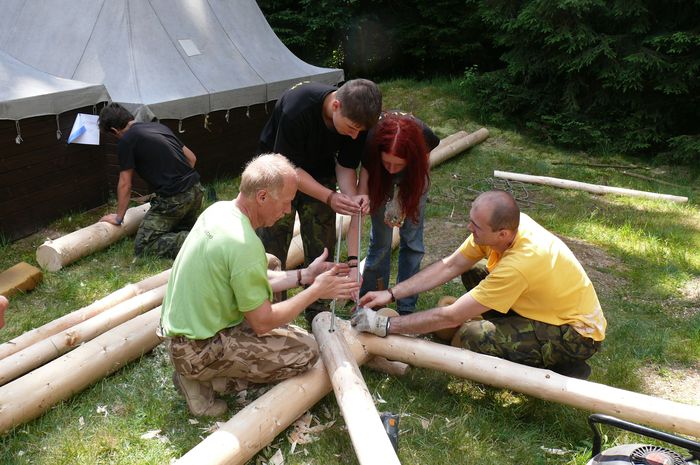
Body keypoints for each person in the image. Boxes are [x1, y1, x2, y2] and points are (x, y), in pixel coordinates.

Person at [160, 154, 359, 417]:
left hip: (184, 338)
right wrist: (316, 292)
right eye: (286, 202)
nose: (288, 210)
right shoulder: (243, 244)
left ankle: (206, 370)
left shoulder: (219, 211)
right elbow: (263, 323)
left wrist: (305, 276)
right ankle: (207, 381)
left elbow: (251, 276)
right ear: (262, 196)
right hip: (197, 351)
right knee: (306, 352)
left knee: (271, 263)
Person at [353, 190, 606, 379]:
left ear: (502, 234)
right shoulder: (506, 230)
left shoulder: (520, 264)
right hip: (545, 308)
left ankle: (561, 363)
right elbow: (450, 265)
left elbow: (452, 316)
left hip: (576, 335)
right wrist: (391, 293)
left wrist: (385, 325)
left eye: (476, 226)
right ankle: (516, 333)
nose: (468, 227)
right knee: (474, 272)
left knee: (471, 338)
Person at [256, 79, 382, 323]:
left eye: (359, 131)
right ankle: (271, 311)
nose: (355, 135)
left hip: (319, 170)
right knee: (273, 243)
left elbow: (345, 165)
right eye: (351, 128)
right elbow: (288, 169)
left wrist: (350, 198)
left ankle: (319, 313)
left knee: (322, 243)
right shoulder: (298, 108)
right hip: (276, 174)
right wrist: (329, 196)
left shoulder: (358, 120)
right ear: (336, 106)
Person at [358, 112, 440, 315]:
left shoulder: (425, 136)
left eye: (397, 164)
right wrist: (364, 195)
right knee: (381, 242)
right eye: (388, 163)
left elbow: (424, 164)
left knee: (412, 241)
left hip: (414, 177)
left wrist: (404, 198)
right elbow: (366, 169)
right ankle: (372, 303)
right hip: (378, 178)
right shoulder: (370, 138)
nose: (392, 169)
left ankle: (406, 306)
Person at [98, 102, 204, 259]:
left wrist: (119, 217)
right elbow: (192, 158)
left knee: (144, 246)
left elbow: (125, 184)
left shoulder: (126, 140)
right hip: (196, 190)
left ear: (114, 130)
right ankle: (198, 234)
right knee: (177, 228)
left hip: (175, 199)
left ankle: (200, 240)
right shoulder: (159, 127)